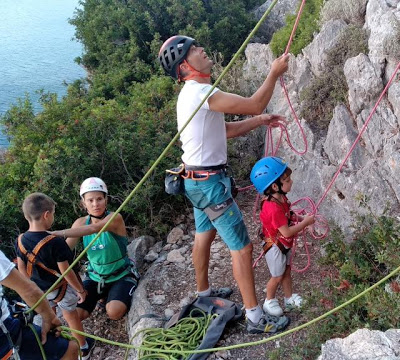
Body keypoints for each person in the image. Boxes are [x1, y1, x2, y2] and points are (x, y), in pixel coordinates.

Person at [158, 35, 291, 333]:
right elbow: (255, 102)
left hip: (194, 180)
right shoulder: (202, 92)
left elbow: (225, 130)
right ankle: (255, 318)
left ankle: (203, 294)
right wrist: (273, 72)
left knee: (203, 234)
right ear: (183, 67)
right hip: (210, 184)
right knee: (242, 248)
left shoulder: (191, 95)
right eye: (193, 50)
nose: (201, 50)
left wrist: (261, 120)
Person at [16, 192, 93, 359]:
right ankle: (84, 348)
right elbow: (66, 271)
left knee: (48, 318)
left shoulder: (20, 240)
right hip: (60, 289)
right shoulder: (54, 242)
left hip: (39, 290)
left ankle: (54, 347)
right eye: (53, 214)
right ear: (46, 215)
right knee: (70, 316)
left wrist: (33, 287)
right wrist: (80, 290)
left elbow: (21, 269)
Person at [53, 177, 137, 324]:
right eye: (90, 200)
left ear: (106, 200)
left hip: (121, 275)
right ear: (83, 203)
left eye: (99, 199)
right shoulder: (79, 223)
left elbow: (95, 228)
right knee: (76, 315)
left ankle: (115, 293)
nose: (95, 204)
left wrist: (55, 233)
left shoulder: (114, 218)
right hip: (95, 277)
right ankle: (104, 296)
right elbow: (65, 251)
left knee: (114, 313)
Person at [250, 157, 315, 316]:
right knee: (277, 276)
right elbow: (286, 231)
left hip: (283, 244)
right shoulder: (272, 208)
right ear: (274, 186)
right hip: (275, 247)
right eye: (286, 180)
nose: (291, 182)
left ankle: (289, 298)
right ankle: (269, 301)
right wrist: (305, 223)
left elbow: (288, 214)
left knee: (286, 271)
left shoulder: (281, 198)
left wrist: (300, 219)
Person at [0, 249, 79, 360]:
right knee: (70, 350)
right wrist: (50, 318)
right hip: (6, 335)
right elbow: (28, 289)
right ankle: (84, 348)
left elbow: (23, 271)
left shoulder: (21, 241)